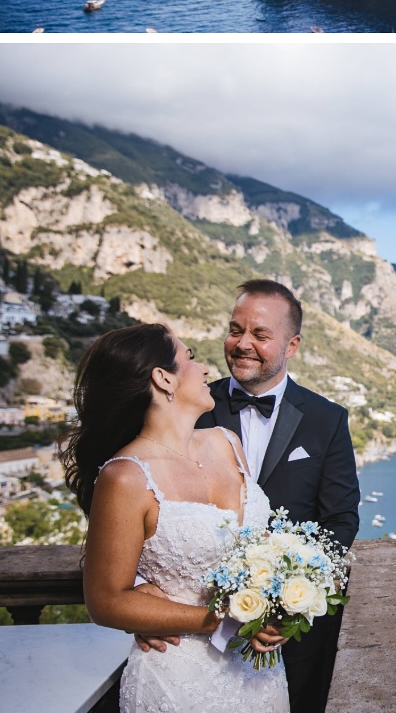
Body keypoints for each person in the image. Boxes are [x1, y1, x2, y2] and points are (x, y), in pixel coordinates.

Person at [63, 323, 290, 713]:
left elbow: (256, 552)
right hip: (178, 677)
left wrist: (276, 610)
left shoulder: (227, 443)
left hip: (259, 676)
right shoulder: (126, 476)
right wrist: (223, 619)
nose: (205, 370)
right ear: (163, 378)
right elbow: (103, 601)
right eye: (191, 358)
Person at [195, 280, 360, 713]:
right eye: (235, 330)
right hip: (195, 625)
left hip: (287, 637)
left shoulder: (327, 419)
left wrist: (291, 602)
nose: (242, 343)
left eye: (260, 335)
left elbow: (340, 519)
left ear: (292, 346)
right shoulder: (192, 408)